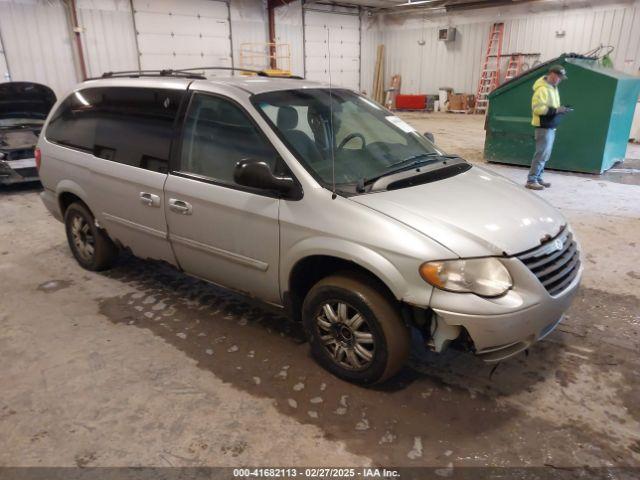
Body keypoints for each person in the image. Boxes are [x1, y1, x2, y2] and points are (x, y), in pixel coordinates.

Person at [526, 64, 570, 190]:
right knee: (541, 154)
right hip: (543, 125)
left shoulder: (552, 88)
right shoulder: (542, 89)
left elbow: (551, 106)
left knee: (545, 154)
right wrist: (556, 110)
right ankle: (531, 180)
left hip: (550, 125)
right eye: (559, 77)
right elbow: (537, 109)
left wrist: (560, 110)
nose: (560, 80)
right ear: (552, 74)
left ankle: (538, 178)